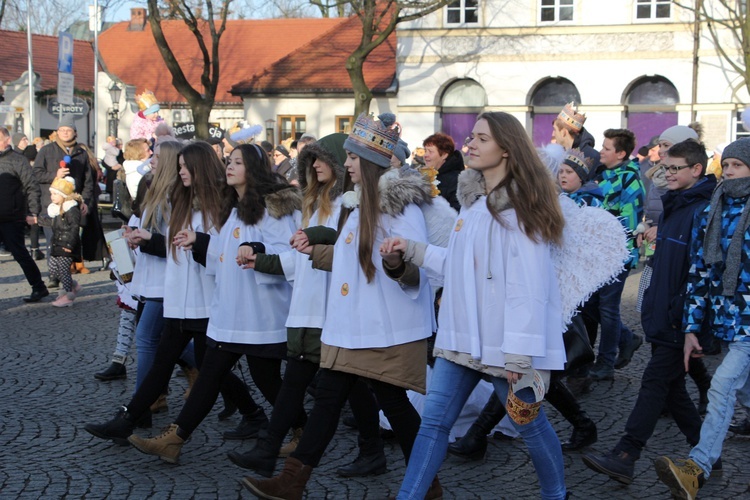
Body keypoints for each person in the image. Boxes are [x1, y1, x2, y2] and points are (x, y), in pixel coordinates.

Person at [241, 113, 437, 500]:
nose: (345, 164)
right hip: (352, 325)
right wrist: (317, 251)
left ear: (369, 161)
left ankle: (427, 484)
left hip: (383, 328)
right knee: (330, 397)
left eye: (351, 158)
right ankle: (291, 482)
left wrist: (397, 264)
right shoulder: (359, 202)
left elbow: (417, 266)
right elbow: (353, 257)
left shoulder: (400, 208)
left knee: (393, 404)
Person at [383, 112, 567, 499]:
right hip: (462, 335)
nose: (470, 144)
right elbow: (459, 265)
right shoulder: (474, 204)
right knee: (433, 423)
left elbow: (528, 285)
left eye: (481, 139)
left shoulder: (521, 207)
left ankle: (557, 495)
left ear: (506, 149)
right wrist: (413, 250)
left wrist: (519, 352)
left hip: (505, 344)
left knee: (529, 425)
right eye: (472, 137)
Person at [127, 143, 305, 464]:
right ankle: (176, 438)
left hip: (259, 314)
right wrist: (200, 242)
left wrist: (256, 251)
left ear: (253, 168)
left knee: (266, 379)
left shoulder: (273, 209)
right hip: (229, 313)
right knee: (209, 374)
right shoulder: (233, 208)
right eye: (229, 161)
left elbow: (289, 254)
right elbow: (221, 255)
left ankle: (303, 429)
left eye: (238, 162)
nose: (230, 167)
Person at [227, 134, 388, 479]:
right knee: (347, 384)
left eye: (321, 159)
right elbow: (297, 260)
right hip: (306, 305)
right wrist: (262, 261)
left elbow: (346, 252)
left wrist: (315, 241)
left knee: (312, 383)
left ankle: (272, 451)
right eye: (310, 160)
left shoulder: (349, 205)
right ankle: (370, 451)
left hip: (330, 307)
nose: (314, 166)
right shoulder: (312, 204)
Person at [82, 142, 259, 444]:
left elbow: (222, 253)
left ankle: (254, 417)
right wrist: (149, 238)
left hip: (204, 302)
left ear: (198, 168)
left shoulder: (221, 207)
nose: (180, 172)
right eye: (178, 166)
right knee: (166, 364)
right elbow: (174, 246)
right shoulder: (183, 200)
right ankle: (129, 420)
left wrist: (198, 242)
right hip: (179, 299)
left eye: (185, 166)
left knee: (206, 370)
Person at [582, 140, 717, 486]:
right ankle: (707, 451)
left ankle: (626, 454)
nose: (667, 174)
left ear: (697, 170)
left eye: (675, 168)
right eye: (665, 167)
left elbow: (700, 273)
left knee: (655, 382)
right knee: (672, 390)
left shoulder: (701, 211)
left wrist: (681, 314)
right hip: (664, 314)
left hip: (679, 318)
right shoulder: (676, 204)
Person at [654, 137, 750, 500]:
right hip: (726, 322)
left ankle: (697, 467)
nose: (728, 173)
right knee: (743, 393)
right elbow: (700, 272)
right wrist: (693, 327)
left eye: (737, 166)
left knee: (723, 385)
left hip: (749, 326)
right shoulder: (713, 210)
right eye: (725, 166)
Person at [583, 128, 645, 380]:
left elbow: (627, 223)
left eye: (606, 148)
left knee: (608, 309)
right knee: (592, 306)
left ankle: (605, 363)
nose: (601, 151)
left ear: (620, 153)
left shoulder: (630, 179)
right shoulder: (603, 173)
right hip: (596, 256)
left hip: (616, 256)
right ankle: (627, 339)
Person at [33, 115, 94, 285]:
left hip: (72, 206)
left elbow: (88, 181)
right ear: (57, 132)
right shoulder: (47, 150)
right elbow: (36, 173)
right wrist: (54, 175)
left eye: (68, 130)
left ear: (75, 132)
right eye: (62, 130)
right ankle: (53, 276)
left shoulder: (81, 153)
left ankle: (65, 273)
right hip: (51, 204)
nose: (65, 133)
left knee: (68, 242)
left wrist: (85, 202)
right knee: (52, 242)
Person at [0, 126, 47, 302]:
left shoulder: (17, 160)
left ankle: (38, 287)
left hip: (11, 217)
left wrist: (33, 211)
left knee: (20, 254)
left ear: (6, 140)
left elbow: (32, 187)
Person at [34, 176, 83, 307]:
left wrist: (69, 245)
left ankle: (68, 295)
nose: (52, 196)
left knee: (63, 269)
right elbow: (53, 223)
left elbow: (74, 229)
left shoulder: (71, 209)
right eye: (51, 193)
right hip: (57, 243)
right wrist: (37, 220)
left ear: (64, 195)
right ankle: (73, 285)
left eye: (55, 194)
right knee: (53, 269)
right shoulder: (56, 209)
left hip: (67, 245)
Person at [551, 102, 602, 179]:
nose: (553, 134)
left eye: (555, 130)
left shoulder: (592, 156)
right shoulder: (559, 155)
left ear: (564, 132)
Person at [423, 132, 463, 211]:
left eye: (430, 152)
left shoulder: (456, 180)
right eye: (425, 151)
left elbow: (457, 211)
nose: (425, 155)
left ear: (444, 154)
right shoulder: (426, 175)